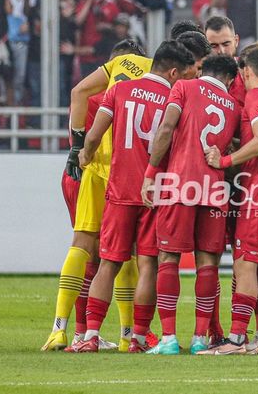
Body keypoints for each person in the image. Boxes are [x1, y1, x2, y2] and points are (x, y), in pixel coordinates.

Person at [64, 41, 196, 353]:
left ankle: (90, 335)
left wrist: (84, 156)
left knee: (108, 263)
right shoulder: (174, 98)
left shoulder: (119, 91)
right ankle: (137, 338)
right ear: (174, 71)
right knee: (148, 264)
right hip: (155, 192)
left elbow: (94, 135)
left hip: (119, 189)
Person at [42, 41, 153, 352]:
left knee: (84, 248)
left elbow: (77, 96)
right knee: (119, 253)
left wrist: (75, 150)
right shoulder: (142, 87)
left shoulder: (94, 92)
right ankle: (125, 334)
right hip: (114, 172)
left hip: (79, 171)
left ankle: (65, 330)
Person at [141, 55, 241, 355]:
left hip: (179, 184)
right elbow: (235, 148)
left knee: (168, 258)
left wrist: (150, 173)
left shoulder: (184, 88)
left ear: (202, 71)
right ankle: (200, 339)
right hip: (214, 189)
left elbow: (167, 127)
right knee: (208, 264)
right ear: (231, 80)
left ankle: (169, 338)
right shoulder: (234, 107)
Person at [199, 44, 258, 356]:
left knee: (245, 264)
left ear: (248, 72)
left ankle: (237, 339)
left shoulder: (257, 96)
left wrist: (224, 162)